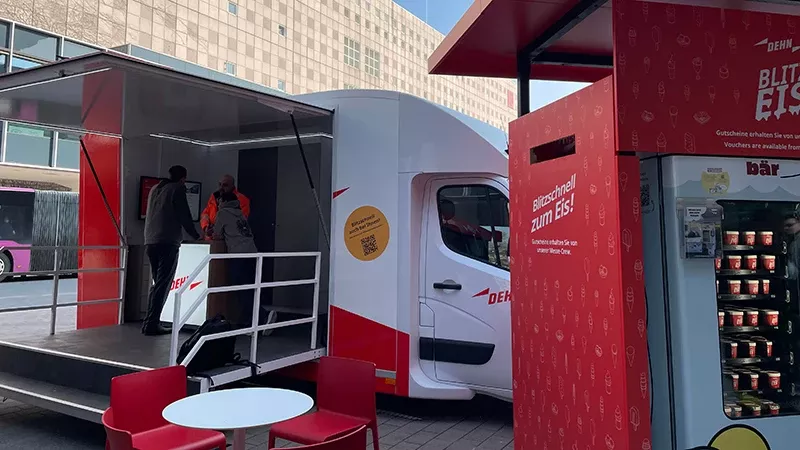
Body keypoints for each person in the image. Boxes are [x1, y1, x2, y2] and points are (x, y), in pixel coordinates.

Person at [142, 165, 201, 336]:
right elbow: (184, 216)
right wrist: (196, 236)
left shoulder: (155, 188)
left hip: (150, 241)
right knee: (163, 284)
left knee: (157, 284)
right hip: (167, 241)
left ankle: (149, 322)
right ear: (183, 178)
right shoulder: (178, 188)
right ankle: (151, 324)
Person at [212, 191, 258, 327]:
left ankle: (261, 316)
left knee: (241, 287)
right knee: (250, 287)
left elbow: (217, 234)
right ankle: (250, 320)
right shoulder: (240, 213)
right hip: (252, 252)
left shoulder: (223, 213)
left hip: (238, 254)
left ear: (222, 201)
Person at [200, 174, 251, 241]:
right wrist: (206, 227)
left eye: (225, 185)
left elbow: (240, 222)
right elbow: (205, 214)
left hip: (229, 239)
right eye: (220, 184)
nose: (221, 187)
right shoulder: (214, 197)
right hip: (212, 239)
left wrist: (217, 229)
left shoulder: (242, 200)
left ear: (232, 186)